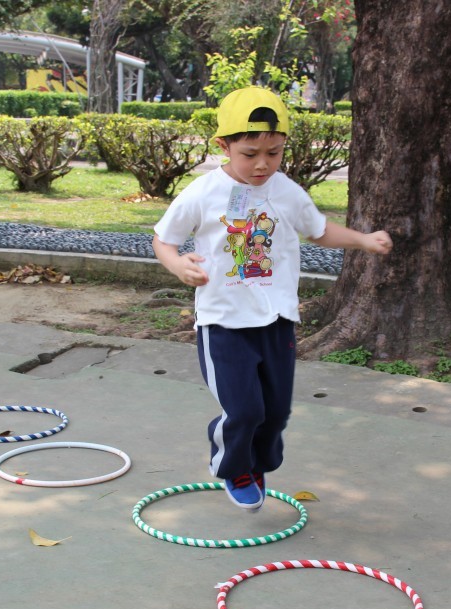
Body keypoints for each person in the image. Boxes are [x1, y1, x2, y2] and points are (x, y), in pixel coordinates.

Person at [152, 86, 392, 510]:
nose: (263, 163)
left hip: (277, 320)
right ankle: (233, 466)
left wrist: (364, 240)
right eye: (250, 154)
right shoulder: (202, 193)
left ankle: (257, 461)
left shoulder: (286, 191)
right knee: (244, 410)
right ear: (223, 146)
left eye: (274, 152)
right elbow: (162, 239)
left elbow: (319, 230)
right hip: (224, 322)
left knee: (276, 411)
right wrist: (176, 264)